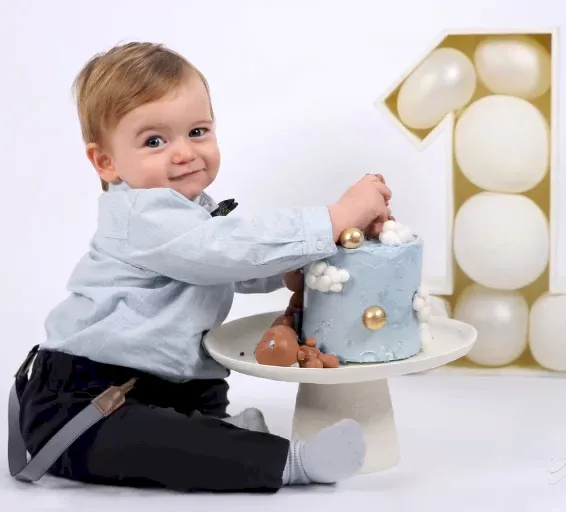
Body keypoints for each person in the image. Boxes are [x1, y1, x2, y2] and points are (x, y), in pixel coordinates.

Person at [14, 41, 393, 493]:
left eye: (197, 132)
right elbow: (224, 251)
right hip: (87, 396)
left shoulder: (192, 212)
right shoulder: (141, 213)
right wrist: (335, 217)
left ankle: (220, 435)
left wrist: (302, 265)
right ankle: (289, 462)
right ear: (106, 162)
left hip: (171, 388)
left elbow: (229, 266)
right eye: (154, 141)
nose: (184, 153)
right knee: (154, 442)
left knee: (183, 423)